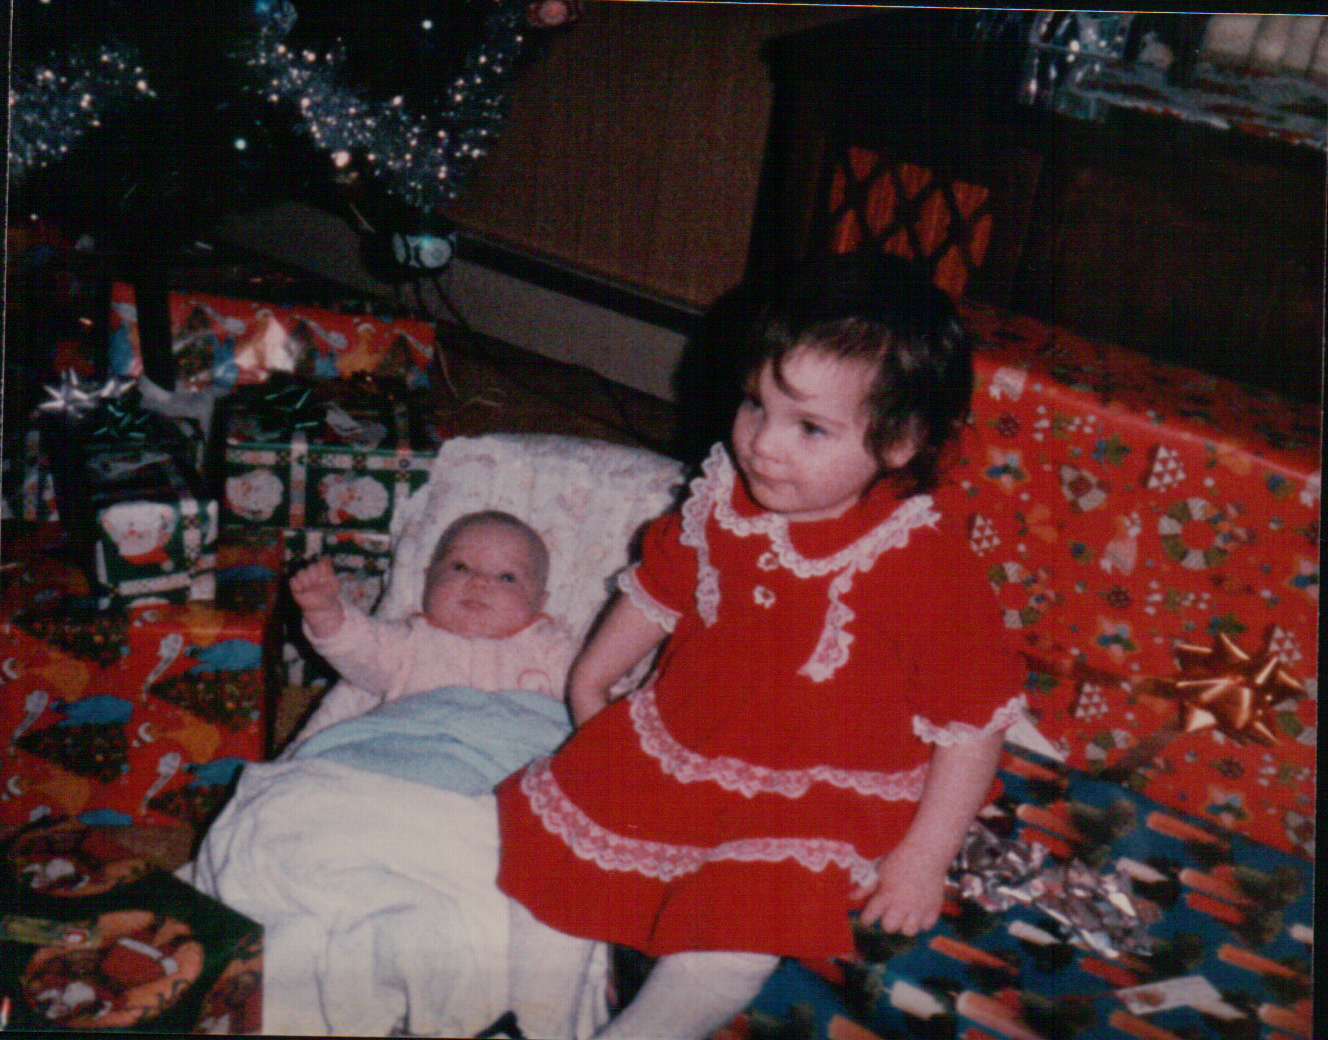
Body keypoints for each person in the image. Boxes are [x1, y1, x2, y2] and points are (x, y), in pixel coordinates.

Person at [493, 252, 1029, 1039]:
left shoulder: (917, 561)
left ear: (901, 442)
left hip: (820, 788)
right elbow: (663, 585)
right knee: (545, 868)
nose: (763, 445)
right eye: (754, 405)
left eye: (810, 427)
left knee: (729, 943)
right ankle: (542, 1020)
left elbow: (974, 720)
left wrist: (925, 856)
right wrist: (592, 678)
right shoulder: (724, 496)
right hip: (688, 736)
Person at [289, 510, 576, 741]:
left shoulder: (548, 647)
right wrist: (325, 610)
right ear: (428, 580)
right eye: (460, 567)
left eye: (507, 577)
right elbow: (359, 647)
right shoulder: (411, 640)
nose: (479, 581)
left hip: (505, 764)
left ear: (540, 602)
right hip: (415, 753)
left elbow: (590, 689)